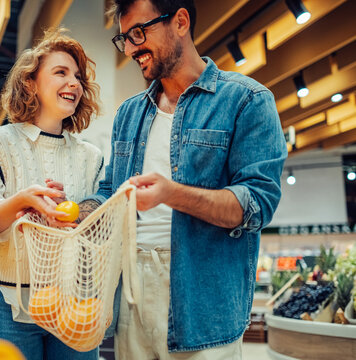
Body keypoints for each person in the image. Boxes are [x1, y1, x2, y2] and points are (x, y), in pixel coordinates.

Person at [80, 1, 288, 359]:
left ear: (180, 21)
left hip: (203, 301)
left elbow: (256, 205)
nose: (130, 49)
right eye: (124, 39)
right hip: (132, 292)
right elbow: (109, 193)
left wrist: (172, 194)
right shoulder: (130, 113)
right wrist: (80, 212)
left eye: (138, 33)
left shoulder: (246, 100)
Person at [0, 29, 103, 360]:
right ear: (30, 83)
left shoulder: (91, 157)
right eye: (61, 73)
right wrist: (20, 201)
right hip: (8, 306)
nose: (75, 83)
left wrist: (79, 213)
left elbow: (95, 229)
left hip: (74, 304)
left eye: (78, 77)